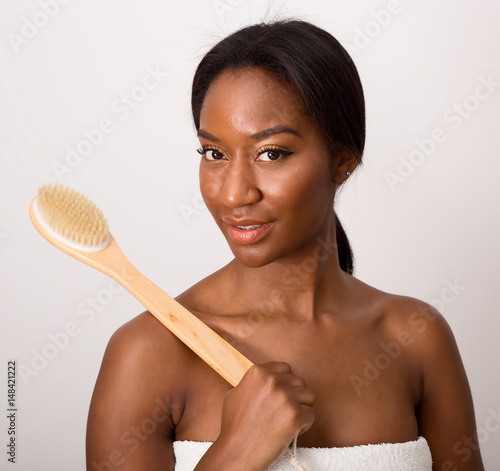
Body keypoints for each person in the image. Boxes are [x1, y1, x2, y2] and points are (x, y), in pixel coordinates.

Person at [86, 20, 485, 470]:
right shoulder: (147, 353)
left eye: (270, 153)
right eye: (214, 154)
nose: (235, 193)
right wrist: (236, 452)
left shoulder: (416, 338)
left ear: (342, 160)